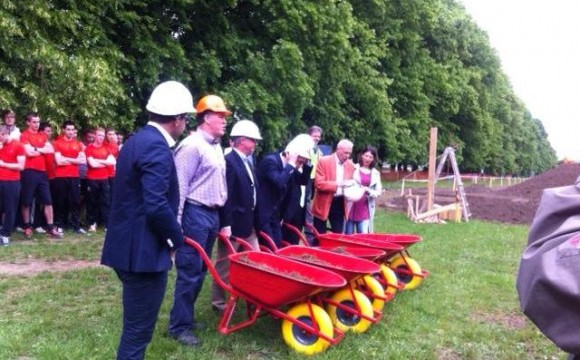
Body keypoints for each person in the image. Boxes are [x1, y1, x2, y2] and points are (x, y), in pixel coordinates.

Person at [101, 80, 193, 360]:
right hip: (141, 255)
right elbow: (155, 205)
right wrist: (176, 239)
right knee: (137, 333)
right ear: (176, 119)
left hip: (128, 249)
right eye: (186, 118)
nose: (186, 124)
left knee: (135, 330)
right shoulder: (156, 147)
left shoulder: (136, 141)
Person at [169, 94, 229, 347]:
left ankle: (187, 318)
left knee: (201, 270)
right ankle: (178, 327)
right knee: (190, 270)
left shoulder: (215, 146)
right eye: (221, 116)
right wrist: (177, 226)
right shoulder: (191, 146)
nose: (225, 121)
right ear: (206, 118)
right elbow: (178, 188)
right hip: (194, 214)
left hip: (211, 215)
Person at [212, 120, 262, 313]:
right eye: (253, 140)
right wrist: (226, 224)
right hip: (234, 226)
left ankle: (252, 296)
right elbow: (227, 196)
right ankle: (218, 302)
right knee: (225, 264)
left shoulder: (247, 161)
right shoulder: (230, 161)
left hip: (249, 225)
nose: (256, 144)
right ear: (242, 140)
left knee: (256, 261)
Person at [256, 135, 311, 247]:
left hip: (275, 214)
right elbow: (279, 182)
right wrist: (291, 164)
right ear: (290, 155)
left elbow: (302, 180)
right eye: (299, 162)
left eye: (302, 163)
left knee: (277, 244)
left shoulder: (289, 168)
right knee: (269, 246)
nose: (299, 165)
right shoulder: (271, 162)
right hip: (263, 213)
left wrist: (308, 164)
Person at [19, 112, 62, 239]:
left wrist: (36, 149)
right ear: (28, 122)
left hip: (42, 172)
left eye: (38, 122)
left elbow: (50, 149)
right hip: (29, 170)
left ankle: (50, 227)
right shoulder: (24, 136)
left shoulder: (42, 136)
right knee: (26, 201)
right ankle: (27, 226)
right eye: (34, 122)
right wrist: (40, 150)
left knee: (48, 200)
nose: (36, 124)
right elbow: (28, 152)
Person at [311, 139, 355, 236]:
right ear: (338, 149)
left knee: (338, 234)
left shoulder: (351, 166)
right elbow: (318, 184)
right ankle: (317, 250)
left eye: (349, 153)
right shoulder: (323, 161)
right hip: (323, 202)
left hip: (340, 203)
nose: (347, 156)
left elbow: (352, 183)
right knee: (318, 235)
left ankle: (334, 251)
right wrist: (338, 184)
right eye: (345, 153)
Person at [52, 120, 86, 234]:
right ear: (63, 130)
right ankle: (60, 224)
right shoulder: (57, 143)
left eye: (72, 130)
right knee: (61, 201)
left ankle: (76, 225)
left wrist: (66, 159)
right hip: (60, 176)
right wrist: (74, 160)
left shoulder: (78, 143)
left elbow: (82, 160)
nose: (70, 132)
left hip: (74, 176)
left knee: (75, 200)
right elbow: (58, 161)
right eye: (68, 129)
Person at [280, 134, 314, 245]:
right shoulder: (287, 167)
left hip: (298, 210)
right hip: (286, 212)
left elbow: (304, 181)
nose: (301, 164)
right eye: (300, 161)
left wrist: (307, 163)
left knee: (293, 241)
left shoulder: (301, 167)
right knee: (282, 241)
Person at [344, 145, 382, 234]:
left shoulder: (375, 173)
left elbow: (378, 191)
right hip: (350, 207)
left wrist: (367, 190)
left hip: (365, 209)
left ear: (373, 159)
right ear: (361, 155)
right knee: (348, 236)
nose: (367, 159)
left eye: (370, 157)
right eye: (366, 155)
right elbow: (346, 182)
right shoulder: (353, 168)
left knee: (363, 236)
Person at [85, 128, 116, 232]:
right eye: (99, 135)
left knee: (105, 201)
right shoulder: (89, 148)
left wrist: (98, 161)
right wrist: (104, 162)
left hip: (104, 178)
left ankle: (107, 224)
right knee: (92, 201)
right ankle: (91, 223)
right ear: (95, 136)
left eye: (103, 136)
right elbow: (92, 164)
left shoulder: (106, 148)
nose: (101, 138)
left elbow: (112, 162)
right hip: (92, 178)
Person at [0, 125, 25, 246]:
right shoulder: (1, 146)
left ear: (4, 134)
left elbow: (21, 166)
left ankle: (5, 236)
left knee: (10, 209)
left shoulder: (18, 145)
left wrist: (4, 164)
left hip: (12, 181)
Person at [304, 126, 322, 244]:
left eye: (319, 136)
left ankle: (311, 234)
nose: (317, 138)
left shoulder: (318, 150)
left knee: (311, 207)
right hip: (305, 180)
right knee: (307, 207)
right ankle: (309, 237)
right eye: (315, 136)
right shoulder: (306, 148)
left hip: (314, 180)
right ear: (309, 135)